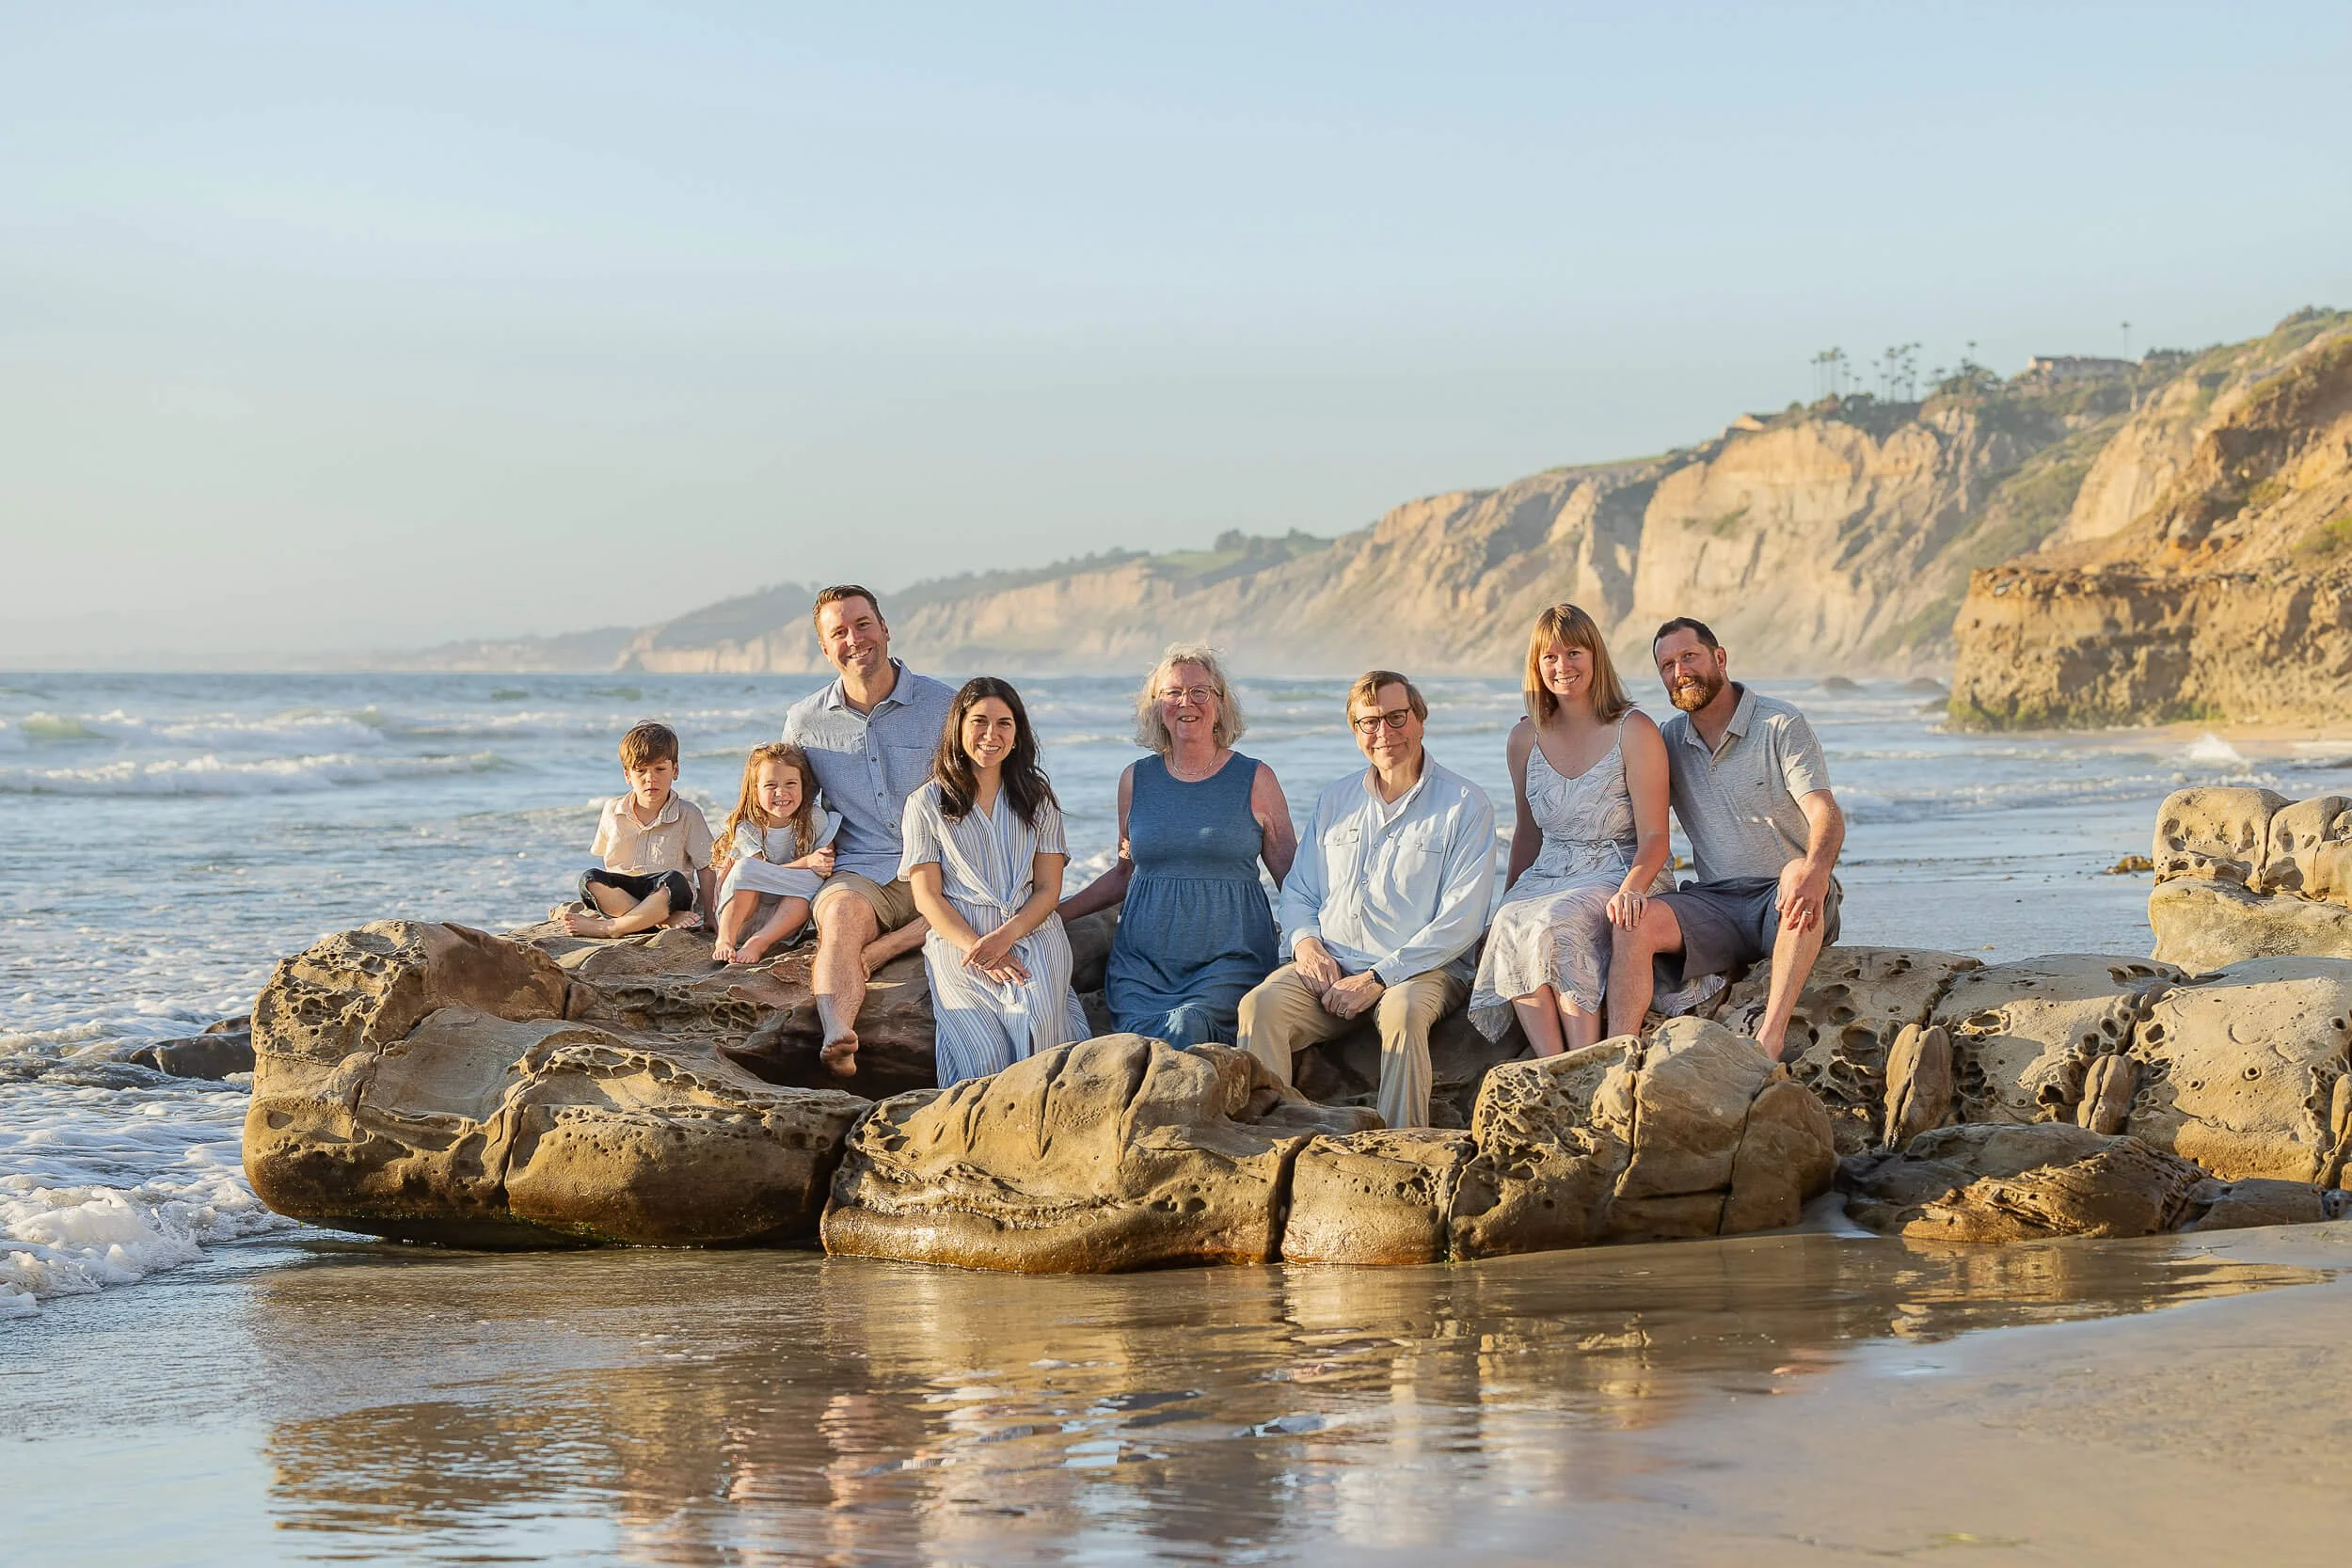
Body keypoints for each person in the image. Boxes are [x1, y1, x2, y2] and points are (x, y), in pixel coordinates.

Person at [1237, 671, 1496, 1129]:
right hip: (1331, 966)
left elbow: (1462, 920)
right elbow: (1299, 891)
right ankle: (1270, 1140)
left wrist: (1379, 977)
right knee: (1259, 1007)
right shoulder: (1336, 800)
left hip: (1420, 970)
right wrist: (1306, 946)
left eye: (1396, 717)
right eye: (1368, 722)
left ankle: (1400, 1146)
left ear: (1420, 720)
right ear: (1355, 731)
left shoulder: (1464, 803)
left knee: (1403, 1012)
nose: (1384, 733)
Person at [1605, 617, 1846, 1062]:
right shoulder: (1668, 740)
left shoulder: (1779, 722)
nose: (1679, 672)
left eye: (1689, 657)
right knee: (1631, 922)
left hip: (1787, 898)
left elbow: (1824, 811)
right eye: (1667, 665)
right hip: (1716, 903)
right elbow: (1610, 770)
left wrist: (1815, 870)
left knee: (1796, 872)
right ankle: (1619, 1054)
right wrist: (1554, 720)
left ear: (1720, 658)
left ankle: (1768, 1042)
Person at [1058, 643, 1295, 1048]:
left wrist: (1318, 945)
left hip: (1230, 960)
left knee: (1189, 1026)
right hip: (1143, 964)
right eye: (1173, 692)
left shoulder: (1256, 778)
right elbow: (1123, 873)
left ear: (1220, 703)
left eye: (1200, 691)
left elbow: (1293, 878)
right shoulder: (1135, 778)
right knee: (1136, 1047)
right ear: (1156, 705)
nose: (1186, 702)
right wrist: (1050, 914)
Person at [1468, 605, 1672, 1055]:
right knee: (1509, 922)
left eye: (1574, 653)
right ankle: (1553, 1063)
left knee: (1556, 921)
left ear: (1595, 656)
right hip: (1551, 869)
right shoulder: (1524, 739)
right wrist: (1509, 896)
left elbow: (1656, 837)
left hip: (1622, 869)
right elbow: (1527, 833)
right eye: (1550, 658)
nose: (1563, 667)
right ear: (1536, 667)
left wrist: (1633, 890)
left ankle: (1586, 1058)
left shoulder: (1633, 730)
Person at [778, 585, 955, 1075]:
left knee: (967, 907)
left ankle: (883, 950)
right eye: (839, 632)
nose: (854, 639)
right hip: (861, 870)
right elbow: (789, 806)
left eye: (862, 624)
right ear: (824, 647)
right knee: (838, 919)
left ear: (885, 629)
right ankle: (838, 1032)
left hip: (940, 865)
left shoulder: (946, 706)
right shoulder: (805, 720)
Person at [900, 677, 1090, 1087]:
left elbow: (1047, 890)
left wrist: (1008, 936)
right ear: (959, 727)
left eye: (1004, 723)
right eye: (980, 721)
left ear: (1017, 732)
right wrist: (979, 947)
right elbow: (927, 897)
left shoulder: (1038, 798)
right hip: (959, 939)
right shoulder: (925, 803)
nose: (992, 734)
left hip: (1031, 929)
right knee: (983, 1054)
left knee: (1039, 1026)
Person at [564, 720, 718, 938]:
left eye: (660, 769)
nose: (650, 778)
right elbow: (606, 859)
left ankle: (612, 928)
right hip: (625, 892)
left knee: (675, 881)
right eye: (640, 771)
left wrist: (712, 916)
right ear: (627, 775)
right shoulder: (612, 810)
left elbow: (706, 867)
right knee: (589, 880)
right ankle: (660, 920)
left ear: (675, 770)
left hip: (667, 893)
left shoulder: (688, 814)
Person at [711, 742, 840, 965]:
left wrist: (817, 864)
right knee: (746, 869)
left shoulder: (815, 818)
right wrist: (807, 862)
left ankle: (758, 943)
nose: (781, 792)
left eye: (791, 783)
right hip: (744, 917)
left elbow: (825, 862)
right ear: (755, 790)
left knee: (813, 881)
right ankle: (725, 940)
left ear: (804, 786)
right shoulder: (747, 826)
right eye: (770, 785)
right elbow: (758, 875)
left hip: (783, 924)